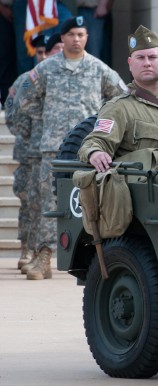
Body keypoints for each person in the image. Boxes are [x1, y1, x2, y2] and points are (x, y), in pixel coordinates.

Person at [19, 16, 125, 280]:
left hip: (87, 150)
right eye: (71, 35)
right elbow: (24, 98)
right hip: (52, 148)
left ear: (86, 37)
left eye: (81, 34)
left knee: (89, 201)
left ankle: (93, 257)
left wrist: (104, 125)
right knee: (48, 201)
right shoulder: (46, 69)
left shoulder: (99, 69)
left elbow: (121, 98)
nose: (76, 39)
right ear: (62, 38)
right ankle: (44, 257)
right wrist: (46, 120)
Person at [79, 25, 158, 172]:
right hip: (153, 189)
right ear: (130, 64)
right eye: (140, 57)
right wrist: (95, 153)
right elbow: (96, 141)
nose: (147, 63)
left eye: (153, 57)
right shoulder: (119, 108)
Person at [4, 33, 49, 269]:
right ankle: (27, 246)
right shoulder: (24, 81)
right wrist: (30, 133)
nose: (43, 57)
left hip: (50, 153)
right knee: (28, 202)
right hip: (28, 152)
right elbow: (11, 114)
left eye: (47, 52)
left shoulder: (56, 77)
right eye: (40, 52)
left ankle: (45, 250)